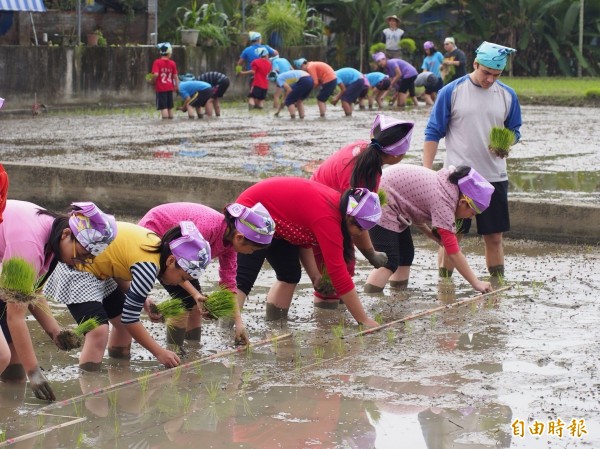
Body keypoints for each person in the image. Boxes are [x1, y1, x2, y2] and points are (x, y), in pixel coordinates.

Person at [46, 220, 211, 371]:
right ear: (170, 261)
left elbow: (116, 265)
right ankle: (91, 387)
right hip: (77, 266)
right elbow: (130, 319)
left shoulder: (156, 246)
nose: (179, 283)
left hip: (101, 272)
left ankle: (118, 370)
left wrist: (144, 301)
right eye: (183, 278)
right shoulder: (149, 267)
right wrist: (159, 352)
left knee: (122, 327)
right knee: (98, 331)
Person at [423, 41, 522, 279]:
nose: (490, 79)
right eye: (486, 72)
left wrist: (506, 142)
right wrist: (427, 170)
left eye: (496, 75)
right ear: (475, 63)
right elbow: (433, 131)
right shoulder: (452, 91)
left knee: (494, 236)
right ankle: (444, 286)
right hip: (457, 178)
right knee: (452, 236)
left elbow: (515, 130)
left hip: (494, 176)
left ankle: (497, 285)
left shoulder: (508, 95)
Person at [1, 200, 117, 401]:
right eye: (81, 255)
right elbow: (15, 317)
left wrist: (55, 332)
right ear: (67, 235)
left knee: (14, 375)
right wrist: (35, 373)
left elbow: (32, 292)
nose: (80, 264)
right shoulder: (30, 243)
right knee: (2, 356)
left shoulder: (53, 237)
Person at [235, 177, 382, 328]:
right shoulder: (328, 218)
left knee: (289, 275)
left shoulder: (337, 208)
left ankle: (275, 327)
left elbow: (303, 238)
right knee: (243, 281)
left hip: (278, 222)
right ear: (350, 217)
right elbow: (338, 274)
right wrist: (364, 320)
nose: (359, 234)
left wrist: (315, 276)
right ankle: (228, 331)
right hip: (253, 212)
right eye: (360, 229)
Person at [309, 114, 414, 307]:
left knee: (341, 270)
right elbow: (356, 221)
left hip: (325, 209)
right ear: (396, 155)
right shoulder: (364, 174)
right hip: (321, 215)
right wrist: (370, 253)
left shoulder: (365, 152)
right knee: (334, 274)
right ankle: (326, 324)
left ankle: (334, 321)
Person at [137, 202, 275, 346]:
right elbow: (178, 266)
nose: (250, 253)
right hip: (155, 234)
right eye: (252, 249)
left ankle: (192, 347)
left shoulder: (230, 245)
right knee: (185, 302)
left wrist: (239, 325)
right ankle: (174, 352)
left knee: (196, 305)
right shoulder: (209, 229)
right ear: (240, 238)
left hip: (178, 254)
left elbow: (229, 284)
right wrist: (195, 295)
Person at [365, 165, 494, 294]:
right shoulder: (445, 201)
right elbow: (453, 251)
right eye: (473, 214)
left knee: (406, 255)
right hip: (383, 201)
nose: (471, 218)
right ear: (463, 203)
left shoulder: (448, 188)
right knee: (389, 260)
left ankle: (398, 296)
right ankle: (371, 299)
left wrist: (432, 235)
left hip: (395, 201)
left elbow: (415, 208)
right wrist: (476, 283)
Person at [150, 42, 178, 119]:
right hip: (170, 87)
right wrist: (176, 86)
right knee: (170, 107)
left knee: (163, 107)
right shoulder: (173, 63)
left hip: (161, 88)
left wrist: (152, 81)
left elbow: (155, 74)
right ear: (169, 53)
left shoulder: (157, 62)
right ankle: (170, 120)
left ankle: (165, 123)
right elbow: (175, 76)